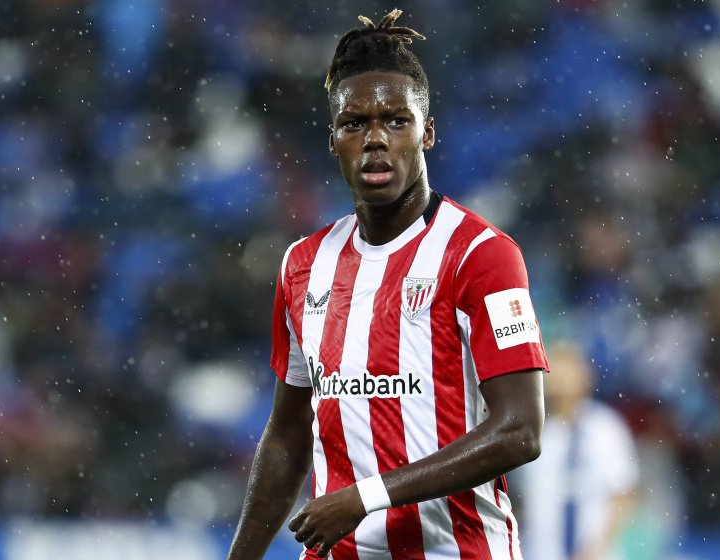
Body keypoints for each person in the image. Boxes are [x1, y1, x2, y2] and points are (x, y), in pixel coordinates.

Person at [227, 10, 550, 560]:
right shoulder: (303, 265)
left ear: (427, 131)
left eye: (396, 121)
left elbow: (520, 430)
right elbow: (287, 436)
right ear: (333, 140)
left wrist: (366, 498)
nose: (375, 139)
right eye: (354, 124)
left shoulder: (481, 255)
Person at [512, 342, 639, 560]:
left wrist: (594, 549)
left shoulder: (606, 428)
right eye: (555, 375)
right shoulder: (538, 434)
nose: (560, 383)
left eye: (567, 374)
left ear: (585, 377)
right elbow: (527, 501)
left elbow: (623, 495)